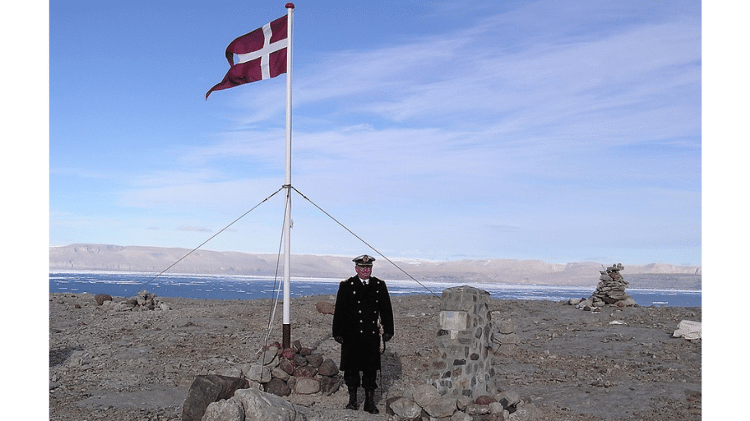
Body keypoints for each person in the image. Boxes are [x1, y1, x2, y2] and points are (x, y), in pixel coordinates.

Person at [332, 254, 394, 414]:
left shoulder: (379, 285)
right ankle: (352, 401)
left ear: (371, 269)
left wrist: (388, 330)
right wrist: (337, 332)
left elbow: (386, 310)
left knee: (370, 370)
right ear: (356, 269)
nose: (365, 270)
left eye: (368, 267)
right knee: (351, 369)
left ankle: (369, 403)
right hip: (351, 335)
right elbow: (339, 311)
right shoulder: (346, 286)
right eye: (362, 267)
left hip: (370, 335)